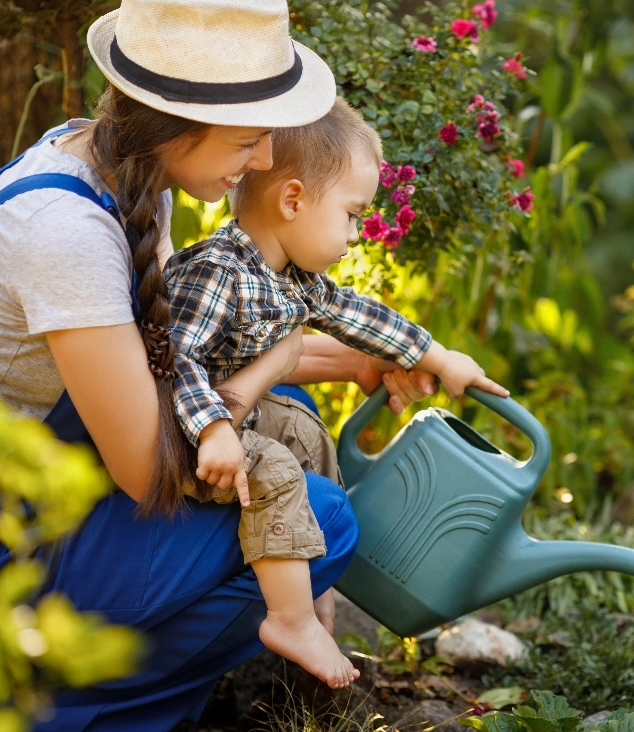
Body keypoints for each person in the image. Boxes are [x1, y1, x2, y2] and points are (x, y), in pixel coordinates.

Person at [0, 0, 435, 728]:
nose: (268, 159)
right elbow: (149, 468)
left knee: (290, 426)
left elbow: (166, 351)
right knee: (318, 517)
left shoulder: (111, 170)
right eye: (250, 138)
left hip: (29, 497)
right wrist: (267, 369)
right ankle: (48, 711)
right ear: (178, 125)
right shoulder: (66, 235)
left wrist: (351, 361)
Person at [163, 97, 509, 691]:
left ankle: (315, 596)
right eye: (352, 215)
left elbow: (359, 315)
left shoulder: (292, 277)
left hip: (230, 421)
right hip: (182, 438)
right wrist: (215, 430)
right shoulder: (217, 270)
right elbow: (171, 359)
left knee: (305, 433)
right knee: (271, 465)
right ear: (292, 200)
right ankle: (289, 620)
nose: (355, 234)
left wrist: (442, 359)